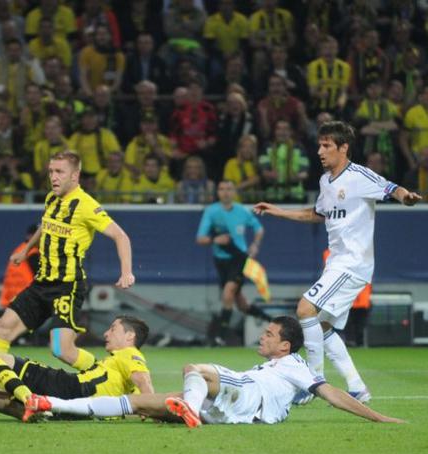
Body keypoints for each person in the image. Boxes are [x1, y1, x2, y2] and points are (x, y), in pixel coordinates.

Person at [0, 150, 135, 410]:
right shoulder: (52, 199)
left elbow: (121, 236)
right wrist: (26, 250)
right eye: (51, 171)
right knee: (2, 327)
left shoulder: (86, 205)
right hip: (42, 283)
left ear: (75, 175)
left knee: (61, 350)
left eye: (59, 172)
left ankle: (105, 372)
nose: (53, 177)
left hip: (67, 286)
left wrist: (126, 272)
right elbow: (46, 225)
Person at [254, 120, 421, 404]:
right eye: (319, 145)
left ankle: (313, 382)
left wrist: (406, 197)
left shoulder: (359, 175)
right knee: (321, 326)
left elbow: (392, 188)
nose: (320, 151)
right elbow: (317, 214)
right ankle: (357, 387)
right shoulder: (325, 181)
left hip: (352, 263)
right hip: (337, 263)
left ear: (343, 148)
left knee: (305, 308)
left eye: (326, 146)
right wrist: (278, 211)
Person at [28, 316, 404, 426]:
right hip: (236, 413)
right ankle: (50, 404)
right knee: (140, 403)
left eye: (269, 334)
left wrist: (378, 416)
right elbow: (303, 396)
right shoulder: (280, 368)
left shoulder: (292, 364)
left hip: (247, 394)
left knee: (195, 369)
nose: (262, 336)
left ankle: (189, 407)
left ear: (285, 346)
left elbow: (330, 393)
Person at [0, 316, 152, 422]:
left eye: (113, 328)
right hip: (69, 408)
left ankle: (27, 396)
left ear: (129, 336)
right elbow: (65, 352)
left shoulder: (129, 354)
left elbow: (144, 381)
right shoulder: (107, 365)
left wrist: (153, 410)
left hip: (69, 388)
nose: (106, 333)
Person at [197, 181, 271, 346]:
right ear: (217, 192)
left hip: (239, 258)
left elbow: (259, 228)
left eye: (229, 189)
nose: (225, 192)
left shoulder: (242, 211)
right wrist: (215, 239)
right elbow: (200, 238)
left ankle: (220, 338)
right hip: (221, 260)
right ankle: (270, 320)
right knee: (241, 304)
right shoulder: (211, 211)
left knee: (228, 293)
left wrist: (255, 245)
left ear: (234, 192)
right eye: (222, 189)